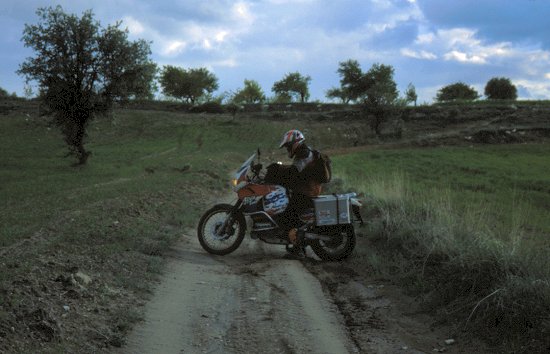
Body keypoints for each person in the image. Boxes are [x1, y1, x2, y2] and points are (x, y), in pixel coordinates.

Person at [267, 129, 330, 256]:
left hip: (307, 192)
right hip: (308, 189)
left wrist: (277, 172)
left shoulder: (303, 154)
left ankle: (298, 249)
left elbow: (294, 173)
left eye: (288, 146)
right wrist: (279, 168)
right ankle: (296, 244)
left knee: (287, 214)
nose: (287, 149)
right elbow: (296, 171)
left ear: (295, 143)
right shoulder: (306, 152)